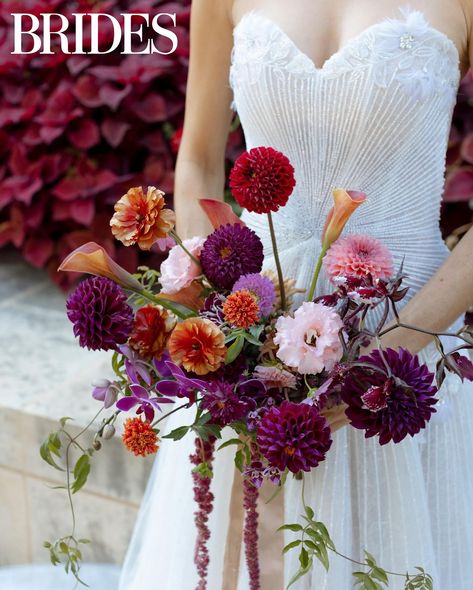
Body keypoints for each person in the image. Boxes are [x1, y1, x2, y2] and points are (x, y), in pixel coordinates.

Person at [119, 1, 473, 588]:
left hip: (409, 363)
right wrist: (217, 317)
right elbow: (201, 161)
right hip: (254, 358)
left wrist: (389, 352)